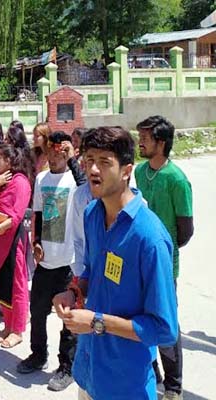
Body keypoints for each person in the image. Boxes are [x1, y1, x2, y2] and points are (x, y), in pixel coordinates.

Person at [53, 126, 178, 399]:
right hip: (88, 374)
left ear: (126, 170)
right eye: (89, 161)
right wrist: (74, 291)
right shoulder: (92, 215)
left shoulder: (149, 238)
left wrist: (97, 322)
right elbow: (91, 272)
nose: (93, 170)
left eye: (104, 162)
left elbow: (164, 328)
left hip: (125, 385)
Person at [135, 116, 194, 400]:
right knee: (139, 318)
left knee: (166, 323)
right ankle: (151, 371)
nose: (139, 142)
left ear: (161, 143)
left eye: (144, 138)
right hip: (136, 264)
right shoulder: (138, 172)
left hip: (164, 267)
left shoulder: (177, 180)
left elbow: (185, 230)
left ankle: (173, 387)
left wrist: (161, 250)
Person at [17, 131, 78, 392]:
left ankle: (67, 367)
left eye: (59, 152)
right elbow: (39, 214)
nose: (54, 157)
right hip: (45, 261)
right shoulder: (41, 178)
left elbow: (89, 190)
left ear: (66, 152)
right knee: (38, 311)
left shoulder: (75, 179)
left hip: (69, 262)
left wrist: (74, 159)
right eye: (50, 152)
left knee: (68, 319)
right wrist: (37, 242)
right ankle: (38, 354)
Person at [0, 144, 32, 347]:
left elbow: (16, 216)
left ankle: (17, 329)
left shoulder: (21, 183)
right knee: (2, 284)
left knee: (16, 284)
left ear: (10, 161)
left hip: (11, 240)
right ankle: (8, 325)